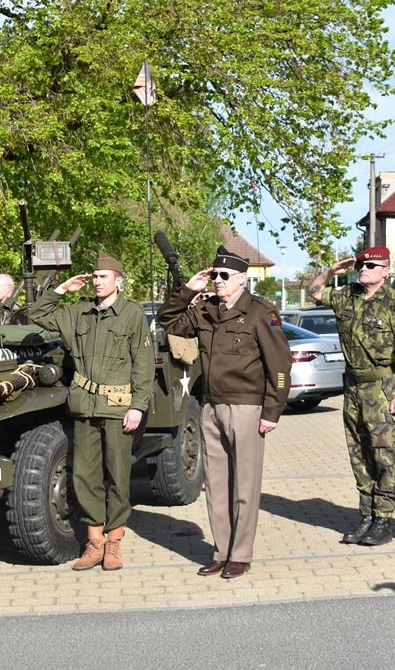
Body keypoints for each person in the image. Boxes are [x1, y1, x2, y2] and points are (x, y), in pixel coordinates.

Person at [157, 246, 290, 580]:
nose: (218, 280)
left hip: (246, 407)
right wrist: (189, 289)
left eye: (224, 276)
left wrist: (271, 411)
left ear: (242, 280)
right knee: (216, 484)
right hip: (211, 406)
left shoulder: (261, 312)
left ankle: (240, 554)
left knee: (244, 485)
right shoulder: (204, 310)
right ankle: (221, 551)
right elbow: (167, 320)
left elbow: (280, 366)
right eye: (214, 275)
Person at [28, 253, 154, 571]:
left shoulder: (131, 314)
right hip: (84, 406)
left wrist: (138, 406)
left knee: (117, 476)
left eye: (104, 276)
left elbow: (143, 364)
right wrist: (62, 289)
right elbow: (37, 313)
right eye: (95, 276)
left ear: (118, 281)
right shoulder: (78, 313)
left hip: (117, 407)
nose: (98, 282)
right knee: (84, 476)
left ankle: (114, 543)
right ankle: (94, 542)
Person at [306, 246, 395, 547]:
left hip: (382, 388)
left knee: (384, 454)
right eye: (361, 264)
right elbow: (314, 291)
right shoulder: (347, 296)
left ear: (386, 271)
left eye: (371, 265)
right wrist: (331, 271)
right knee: (358, 454)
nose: (363, 268)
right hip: (353, 387)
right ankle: (366, 515)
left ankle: (383, 519)